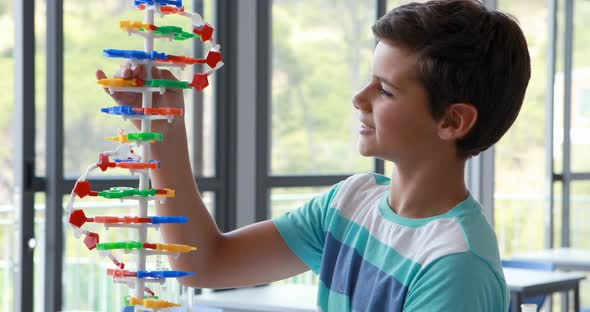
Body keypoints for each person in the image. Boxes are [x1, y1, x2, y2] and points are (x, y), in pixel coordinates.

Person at [97, 0, 530, 310]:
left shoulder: (456, 268)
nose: (359, 98)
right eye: (369, 80)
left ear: (452, 122)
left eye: (385, 90)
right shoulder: (350, 202)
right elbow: (202, 262)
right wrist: (163, 123)